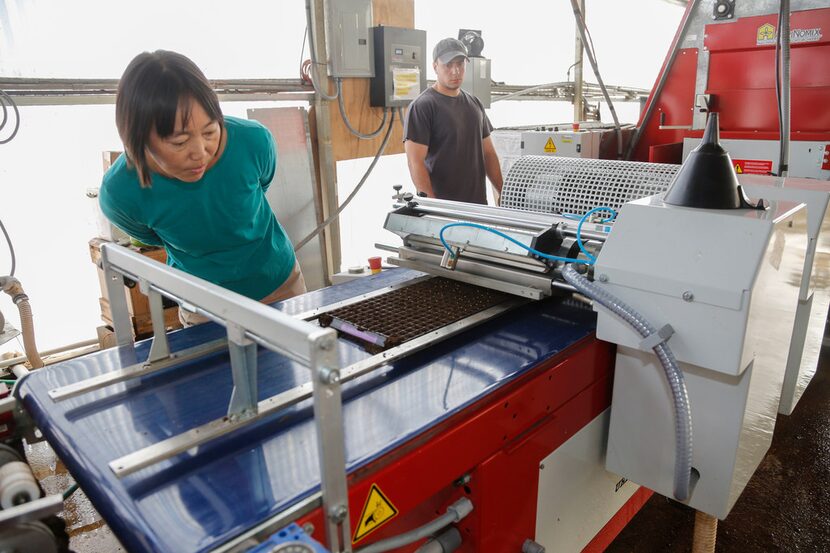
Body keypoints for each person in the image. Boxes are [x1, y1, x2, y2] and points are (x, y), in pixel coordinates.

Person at [100, 50, 305, 326]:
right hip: (202, 304)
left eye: (210, 132)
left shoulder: (253, 141)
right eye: (179, 141)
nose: (200, 152)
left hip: (279, 285)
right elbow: (150, 237)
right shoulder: (120, 192)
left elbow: (262, 184)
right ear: (138, 139)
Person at [403, 37, 503, 205]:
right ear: (435, 66)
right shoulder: (423, 106)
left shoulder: (474, 104)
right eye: (448, 65)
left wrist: (503, 191)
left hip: (478, 207)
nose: (455, 71)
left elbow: (488, 154)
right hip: (445, 210)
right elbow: (415, 162)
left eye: (460, 64)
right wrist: (434, 207)